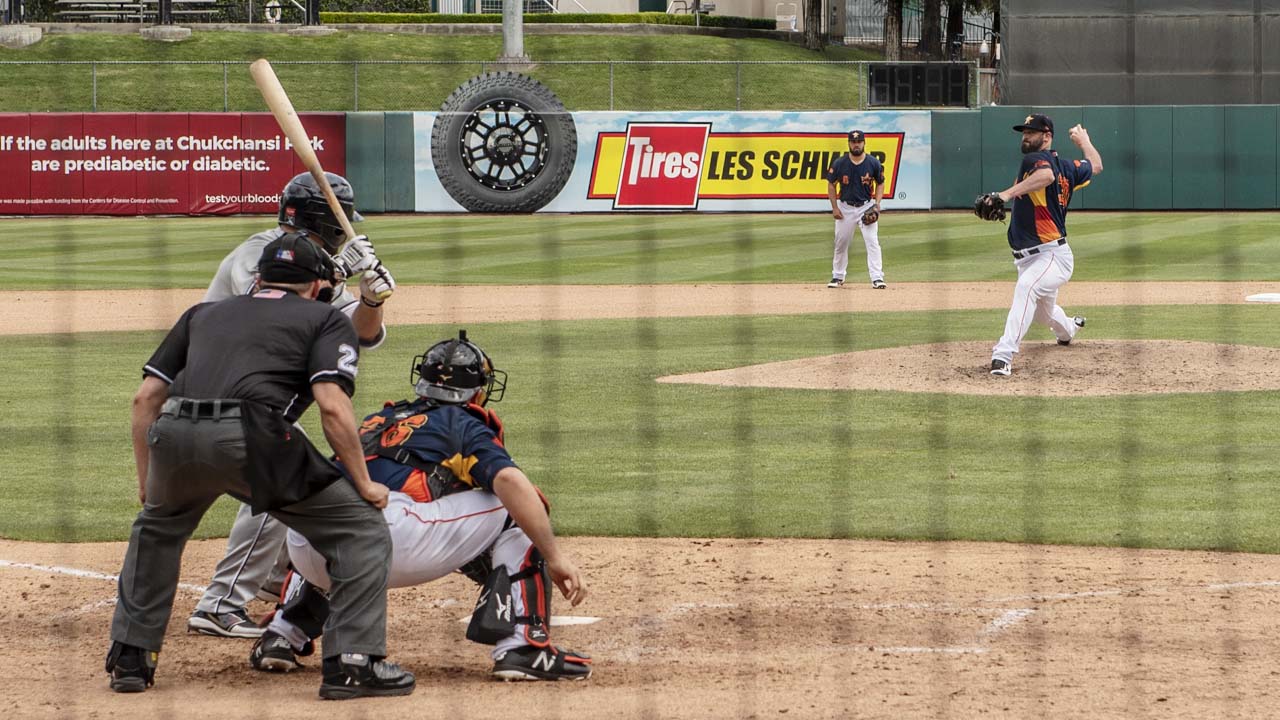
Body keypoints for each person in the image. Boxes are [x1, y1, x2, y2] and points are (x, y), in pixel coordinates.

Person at [106, 234, 415, 700]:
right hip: (254, 438)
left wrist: (146, 479)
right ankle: (353, 663)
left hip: (174, 431)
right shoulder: (325, 317)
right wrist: (364, 482)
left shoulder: (202, 313)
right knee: (360, 530)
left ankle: (131, 659)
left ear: (260, 277)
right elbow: (333, 407)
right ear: (316, 284)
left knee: (157, 529)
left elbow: (146, 397)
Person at [248, 331, 593, 682]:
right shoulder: (462, 423)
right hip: (386, 545)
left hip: (306, 548)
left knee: (333, 513)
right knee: (518, 504)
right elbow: (510, 483)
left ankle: (282, 633)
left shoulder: (378, 419)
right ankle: (524, 648)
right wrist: (554, 557)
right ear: (476, 392)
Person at [189, 171, 397, 640]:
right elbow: (264, 306)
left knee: (302, 476)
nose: (346, 232)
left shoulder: (319, 263)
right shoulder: (260, 252)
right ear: (321, 222)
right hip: (215, 393)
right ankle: (220, 605)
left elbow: (360, 334)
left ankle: (268, 577)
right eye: (339, 225)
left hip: (257, 403)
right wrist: (336, 273)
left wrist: (369, 296)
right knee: (279, 475)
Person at [983, 114, 1102, 376]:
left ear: (1046, 137)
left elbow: (1046, 176)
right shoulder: (1068, 167)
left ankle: (1003, 355)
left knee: (1026, 289)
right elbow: (1095, 165)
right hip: (1034, 257)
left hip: (1051, 254)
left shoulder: (1036, 160)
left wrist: (1004, 195)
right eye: (1024, 132)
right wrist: (1086, 142)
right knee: (1043, 314)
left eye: (1031, 132)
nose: (1025, 136)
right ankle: (1069, 329)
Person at [824, 129, 886, 290]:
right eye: (853, 141)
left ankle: (877, 277)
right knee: (841, 243)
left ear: (864, 143)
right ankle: (838, 276)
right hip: (845, 208)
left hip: (866, 206)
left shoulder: (873, 163)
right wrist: (835, 207)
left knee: (872, 241)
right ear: (849, 143)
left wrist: (877, 204)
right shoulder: (840, 163)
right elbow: (831, 183)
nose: (856, 144)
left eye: (859, 142)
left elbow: (880, 183)